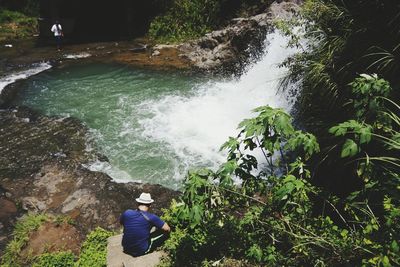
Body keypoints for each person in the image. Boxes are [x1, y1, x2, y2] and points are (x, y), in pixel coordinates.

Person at [120, 192, 171, 257]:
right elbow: (167, 229)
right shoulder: (152, 217)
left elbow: (122, 223)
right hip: (140, 251)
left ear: (138, 203)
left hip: (125, 247)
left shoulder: (127, 212)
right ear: (150, 205)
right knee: (165, 233)